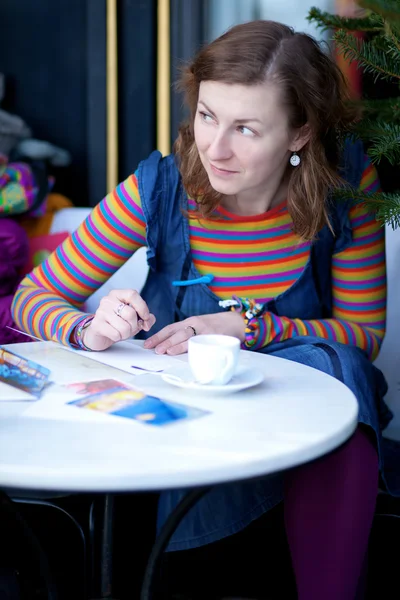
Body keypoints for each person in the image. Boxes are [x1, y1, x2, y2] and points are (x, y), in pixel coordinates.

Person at [11, 19, 395, 600]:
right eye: (208, 115)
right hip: (182, 445)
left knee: (338, 368)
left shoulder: (345, 189)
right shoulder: (159, 188)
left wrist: (248, 326)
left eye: (245, 127)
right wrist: (88, 326)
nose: (215, 147)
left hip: (305, 438)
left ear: (299, 133)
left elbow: (363, 337)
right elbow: (31, 297)